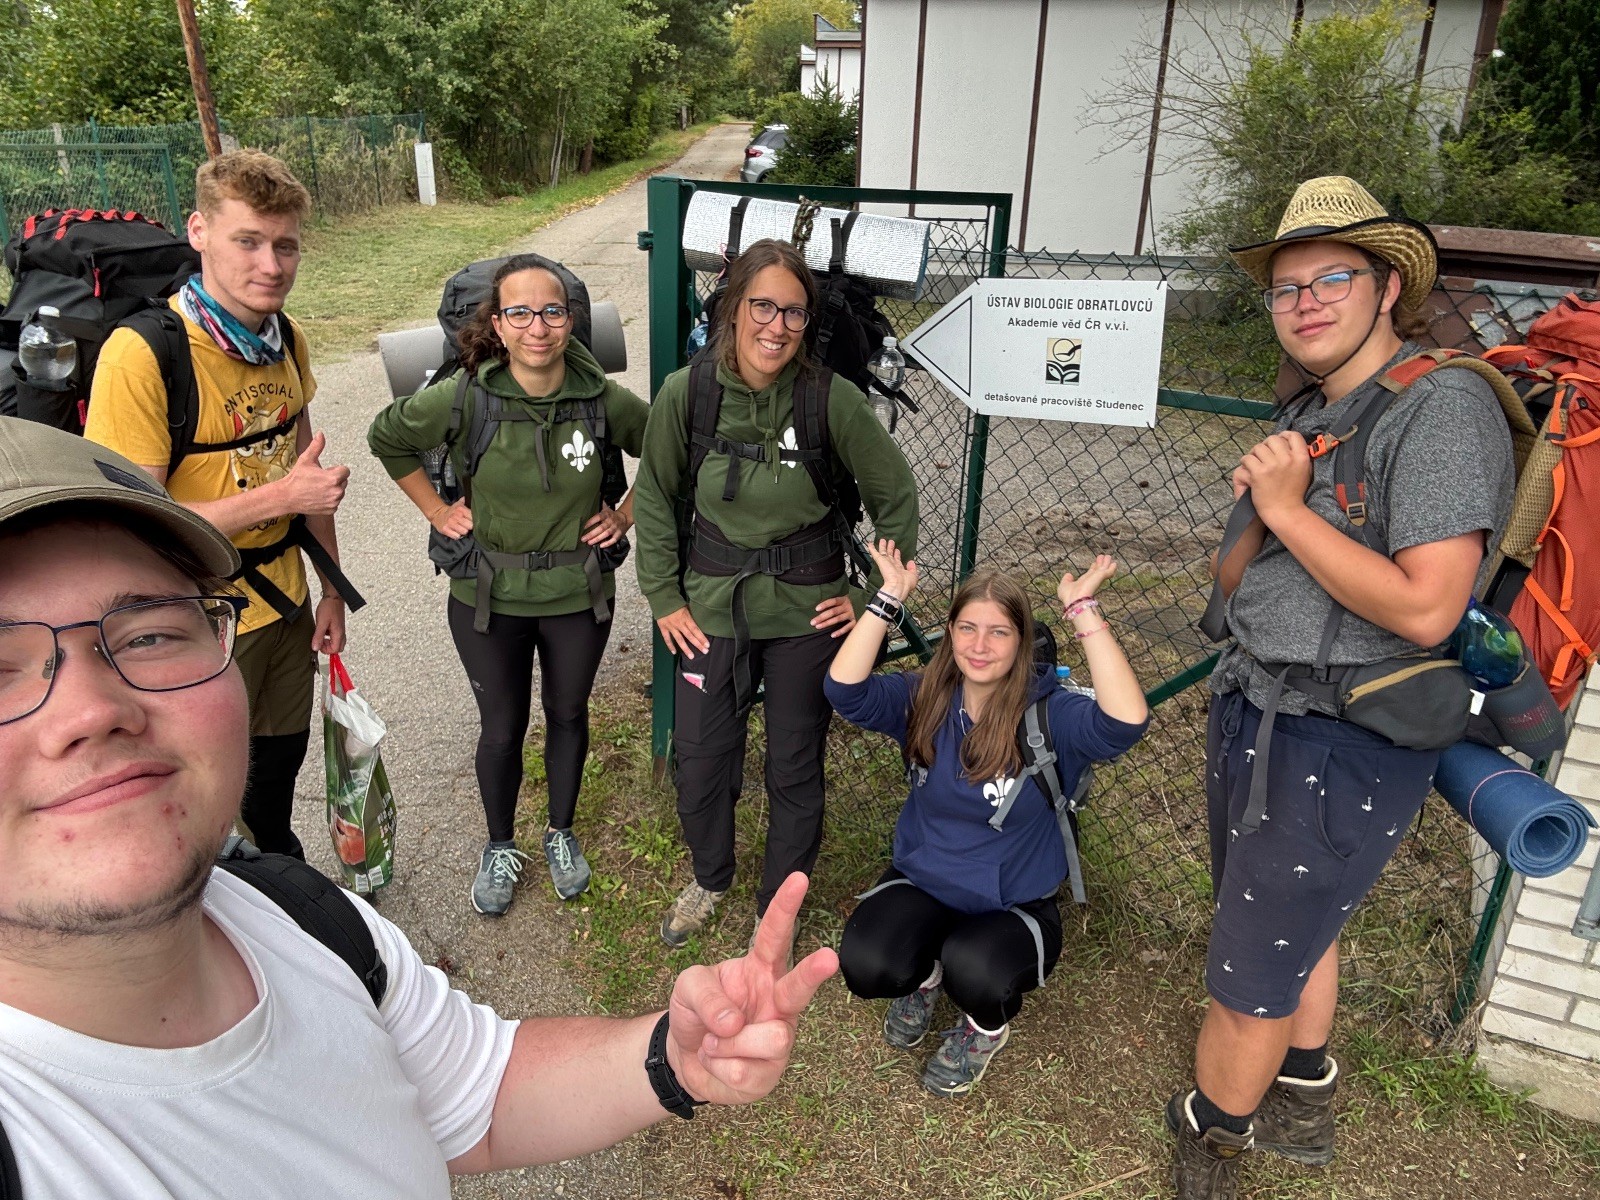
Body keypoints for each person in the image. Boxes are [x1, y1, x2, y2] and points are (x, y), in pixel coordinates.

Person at [0, 415, 839, 1199]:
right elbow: (394, 434)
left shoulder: (303, 921)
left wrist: (670, 1059)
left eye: (147, 634)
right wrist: (441, 512)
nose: (93, 711)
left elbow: (482, 1096)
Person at [1168, 177, 1515, 1198]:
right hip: (1261, 704)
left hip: (1339, 733)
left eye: (1332, 278)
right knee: (1286, 932)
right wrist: (1264, 505)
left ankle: (1213, 1137)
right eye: (1285, 288)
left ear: (1388, 285)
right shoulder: (1316, 410)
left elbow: (1428, 609)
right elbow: (1236, 581)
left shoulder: (1440, 409)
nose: (1305, 303)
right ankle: (1304, 1090)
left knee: (1246, 973)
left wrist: (1286, 508)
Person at [632, 238, 919, 950]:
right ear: (734, 309)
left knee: (794, 762)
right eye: (763, 306)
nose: (777, 326)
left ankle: (777, 909)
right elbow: (656, 496)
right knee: (701, 758)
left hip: (805, 610)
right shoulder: (689, 393)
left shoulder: (830, 398)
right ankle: (710, 876)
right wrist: (664, 595)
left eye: (794, 312)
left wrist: (868, 599)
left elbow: (896, 497)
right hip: (709, 608)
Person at [85, 148, 355, 862]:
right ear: (198, 232)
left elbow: (306, 473)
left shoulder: (285, 338)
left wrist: (331, 590)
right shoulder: (142, 355)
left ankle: (280, 875)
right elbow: (130, 522)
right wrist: (283, 496)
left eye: (285, 245)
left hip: (286, 606)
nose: (271, 265)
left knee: (275, 777)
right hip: (195, 617)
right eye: (248, 241)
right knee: (208, 796)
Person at [367, 256, 649, 914]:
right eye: (519, 313)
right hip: (487, 597)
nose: (537, 327)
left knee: (568, 714)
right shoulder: (468, 396)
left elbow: (669, 449)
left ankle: (560, 833)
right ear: (497, 324)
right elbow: (388, 437)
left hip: (578, 594)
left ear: (570, 320)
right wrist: (437, 511)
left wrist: (623, 514)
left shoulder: (599, 398)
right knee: (502, 728)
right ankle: (499, 845)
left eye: (551, 311)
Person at [825, 543, 1148, 1095]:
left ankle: (984, 1028)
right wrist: (888, 598)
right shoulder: (925, 698)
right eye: (968, 628)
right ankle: (925, 977)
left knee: (976, 971)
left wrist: (1083, 612)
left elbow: (1125, 723)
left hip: (1012, 900)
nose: (979, 646)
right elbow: (844, 691)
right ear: (949, 633)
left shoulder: (1049, 715)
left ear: (1021, 642)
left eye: (999, 632)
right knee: (867, 963)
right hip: (925, 880)